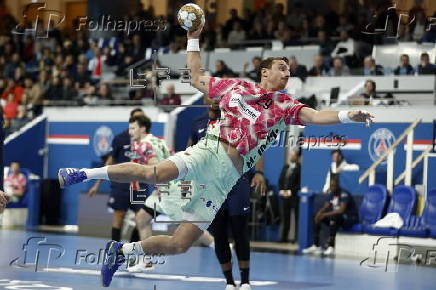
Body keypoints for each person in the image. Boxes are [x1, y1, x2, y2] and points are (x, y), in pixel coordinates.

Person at [58, 23, 374, 287]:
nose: (287, 73)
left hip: (225, 180)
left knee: (180, 243)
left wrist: (349, 115)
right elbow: (196, 76)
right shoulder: (234, 87)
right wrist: (193, 35)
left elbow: (317, 117)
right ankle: (82, 175)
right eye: (282, 68)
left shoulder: (284, 105)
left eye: (289, 70)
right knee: (154, 173)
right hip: (209, 152)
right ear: (264, 72)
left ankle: (122, 251)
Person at [188, 100, 266, 290]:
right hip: (210, 188)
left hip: (236, 183)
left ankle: (245, 280)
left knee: (240, 233)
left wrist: (258, 173)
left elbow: (257, 149)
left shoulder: (238, 121)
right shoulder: (197, 124)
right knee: (219, 235)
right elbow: (189, 153)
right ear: (206, 99)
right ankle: (229, 281)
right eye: (211, 96)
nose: (214, 99)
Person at [302, 178, 358, 256]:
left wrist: (324, 215)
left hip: (349, 218)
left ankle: (331, 247)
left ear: (338, 185)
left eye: (333, 186)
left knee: (333, 217)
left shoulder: (344, 193)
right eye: (331, 186)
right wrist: (319, 213)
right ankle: (316, 245)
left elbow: (341, 210)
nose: (332, 188)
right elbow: (326, 206)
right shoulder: (332, 194)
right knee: (317, 217)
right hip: (338, 218)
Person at [278, 150, 301, 243]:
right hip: (284, 196)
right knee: (285, 217)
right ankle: (283, 237)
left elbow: (299, 183)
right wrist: (282, 191)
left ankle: (296, 238)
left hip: (294, 197)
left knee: (296, 218)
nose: (291, 157)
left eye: (293, 155)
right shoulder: (286, 167)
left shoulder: (299, 168)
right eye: (290, 155)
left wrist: (290, 191)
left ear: (297, 157)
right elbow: (280, 180)